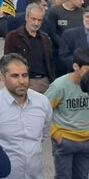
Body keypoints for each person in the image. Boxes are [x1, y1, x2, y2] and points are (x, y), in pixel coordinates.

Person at [0, 53, 52, 179]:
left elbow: (43, 135)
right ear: (3, 78)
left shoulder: (42, 102)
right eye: (15, 76)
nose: (21, 81)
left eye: (25, 75)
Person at [44, 48, 89, 179]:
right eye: (87, 70)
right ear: (76, 66)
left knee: (82, 176)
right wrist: (56, 134)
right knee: (63, 177)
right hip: (65, 141)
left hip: (86, 141)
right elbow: (43, 111)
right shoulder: (60, 86)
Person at [3, 3, 55, 93]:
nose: (36, 23)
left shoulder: (46, 38)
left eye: (39, 20)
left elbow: (50, 61)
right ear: (26, 17)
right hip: (24, 82)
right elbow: (7, 62)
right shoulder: (13, 37)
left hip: (45, 82)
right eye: (33, 19)